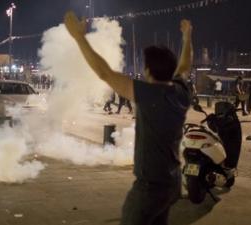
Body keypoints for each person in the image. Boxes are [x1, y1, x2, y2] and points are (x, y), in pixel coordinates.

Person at [64, 11, 192, 225]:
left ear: (148, 70)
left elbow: (104, 73)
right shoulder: (181, 91)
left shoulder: (149, 93)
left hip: (150, 188)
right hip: (172, 182)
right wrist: (188, 37)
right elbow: (186, 65)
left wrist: (79, 37)